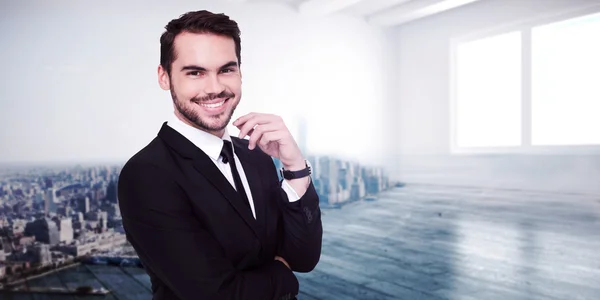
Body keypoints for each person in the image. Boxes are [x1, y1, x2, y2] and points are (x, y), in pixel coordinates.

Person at [117, 9, 322, 300]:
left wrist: (294, 166)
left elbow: (304, 258)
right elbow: (218, 295)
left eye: (226, 69)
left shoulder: (255, 155)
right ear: (164, 77)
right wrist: (283, 277)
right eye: (195, 72)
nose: (214, 88)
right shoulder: (147, 174)